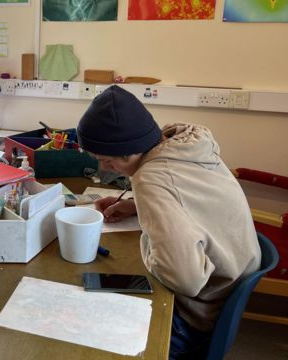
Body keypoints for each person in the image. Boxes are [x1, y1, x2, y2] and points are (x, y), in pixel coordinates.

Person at [76, 85, 261, 359]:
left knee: (85, 332)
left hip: (195, 317)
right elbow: (190, 201)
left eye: (107, 160)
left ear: (127, 150)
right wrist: (135, 207)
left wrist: (149, 240)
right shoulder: (186, 146)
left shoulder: (151, 179)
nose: (105, 169)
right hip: (229, 284)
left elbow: (185, 280)